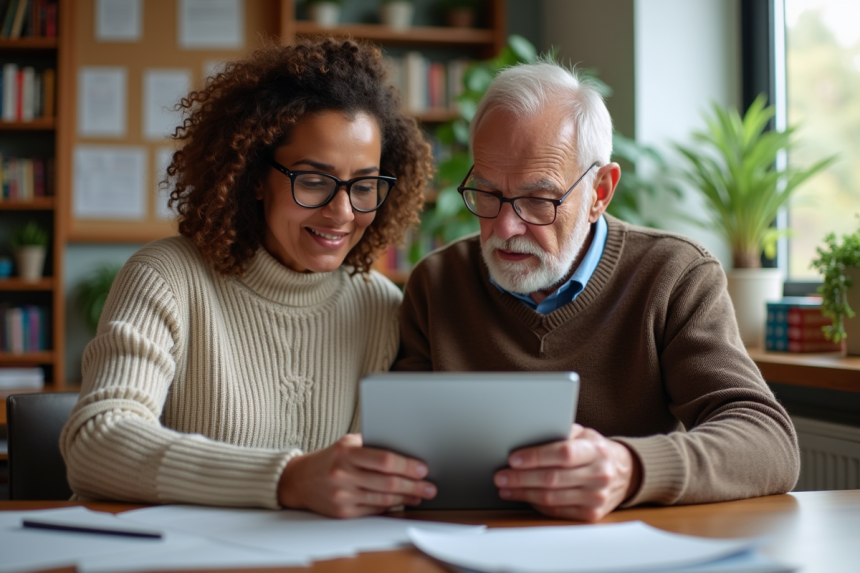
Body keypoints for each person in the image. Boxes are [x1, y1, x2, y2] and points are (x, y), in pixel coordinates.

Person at [394, 61, 800, 521]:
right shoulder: (436, 283)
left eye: (538, 199)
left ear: (600, 192)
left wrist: (630, 469)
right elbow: (401, 448)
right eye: (487, 193)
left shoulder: (674, 275)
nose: (505, 227)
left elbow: (769, 442)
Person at [61, 38, 439, 518]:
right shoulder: (166, 278)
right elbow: (97, 442)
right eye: (314, 180)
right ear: (256, 178)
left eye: (364, 186)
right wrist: (287, 479)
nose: (342, 212)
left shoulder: (380, 307)